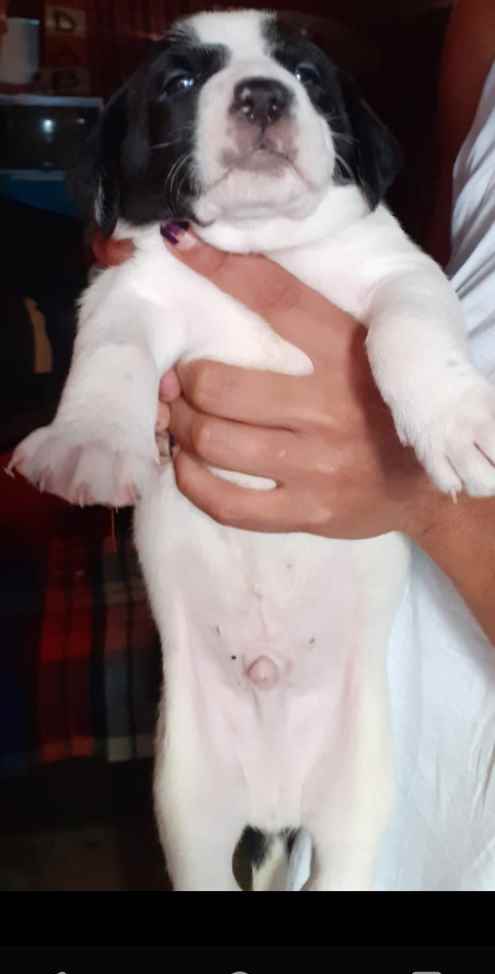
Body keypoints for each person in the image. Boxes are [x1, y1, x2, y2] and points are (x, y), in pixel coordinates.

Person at [94, 0, 495, 889]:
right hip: (365, 570)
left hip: (434, 539)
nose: (262, 96)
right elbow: (429, 246)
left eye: (300, 77)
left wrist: (431, 490)